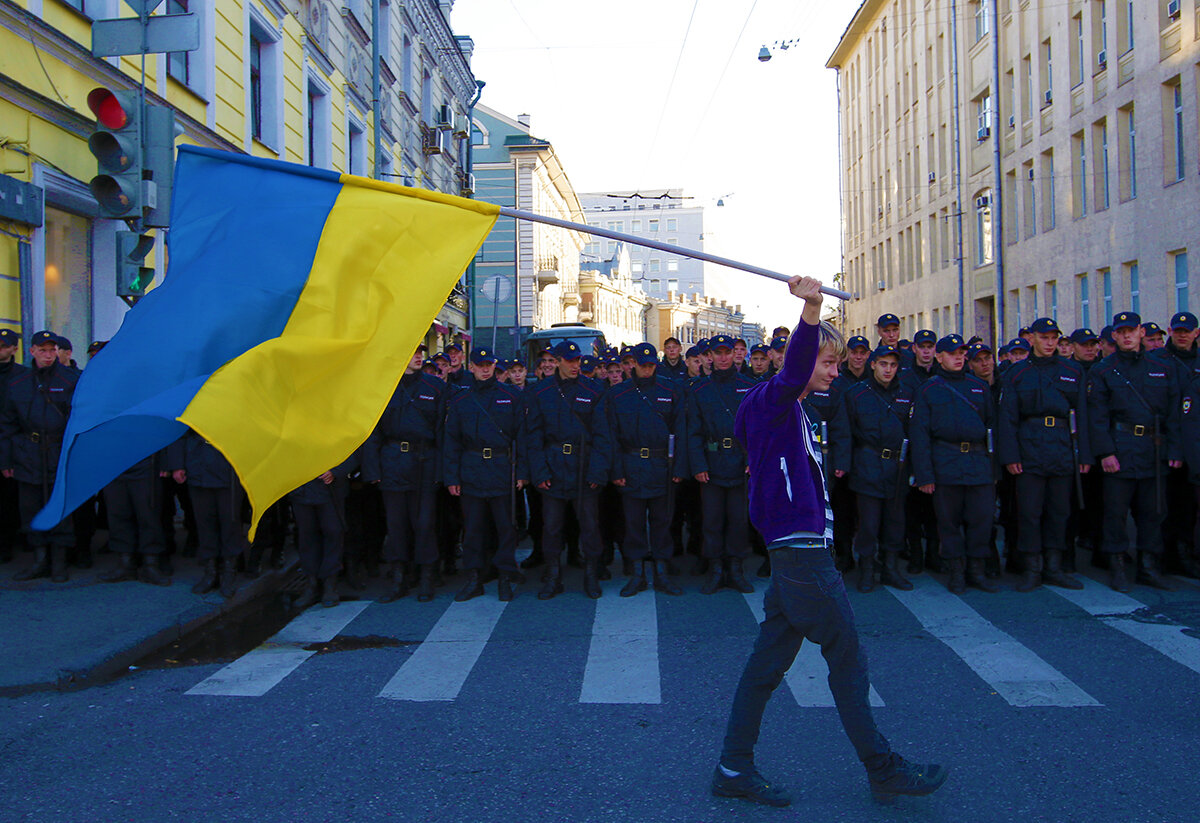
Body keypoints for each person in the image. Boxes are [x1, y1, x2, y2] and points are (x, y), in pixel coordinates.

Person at [713, 276, 947, 808]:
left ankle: (732, 766)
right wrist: (813, 307)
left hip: (800, 549)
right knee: (848, 657)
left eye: (837, 364)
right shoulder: (771, 400)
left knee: (766, 666)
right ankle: (882, 768)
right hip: (799, 553)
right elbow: (795, 367)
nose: (835, 372)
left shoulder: (790, 410)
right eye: (828, 364)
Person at [1086, 312, 1182, 591]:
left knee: (1153, 512)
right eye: (1121, 331)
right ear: (1114, 336)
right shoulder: (1103, 369)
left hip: (1154, 449)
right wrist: (1105, 453)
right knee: (1115, 513)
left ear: (1141, 332)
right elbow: (1097, 417)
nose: (1127, 336)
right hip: (1121, 447)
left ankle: (1148, 567)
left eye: (1132, 330)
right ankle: (1117, 566)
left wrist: (1174, 447)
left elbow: (1173, 412)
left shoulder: (1161, 366)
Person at [996, 318, 1090, 591]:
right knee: (1029, 512)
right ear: (1032, 339)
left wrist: (1084, 455)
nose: (1050, 343)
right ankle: (1031, 568)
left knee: (1059, 511)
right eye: (1044, 337)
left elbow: (1083, 414)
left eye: (1053, 338)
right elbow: (1008, 418)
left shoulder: (1072, 370)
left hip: (1061, 445)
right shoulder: (1016, 373)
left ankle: (1054, 566)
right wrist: (1011, 456)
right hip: (1029, 446)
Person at [593, 342, 688, 596]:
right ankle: (637, 573)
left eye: (650, 365)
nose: (647, 369)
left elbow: (681, 432)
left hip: (662, 466)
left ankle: (661, 572)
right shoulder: (617, 395)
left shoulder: (672, 390)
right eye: (642, 365)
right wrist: (616, 471)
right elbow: (609, 437)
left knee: (662, 522)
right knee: (633, 525)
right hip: (631, 465)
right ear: (632, 364)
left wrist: (679, 467)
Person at [910, 334, 999, 593]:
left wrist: (994, 468)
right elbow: (920, 435)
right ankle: (956, 571)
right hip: (945, 462)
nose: (958, 357)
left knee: (981, 520)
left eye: (961, 353)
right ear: (939, 357)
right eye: (952, 353)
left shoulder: (979, 387)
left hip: (978, 463)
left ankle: (976, 570)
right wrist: (925, 476)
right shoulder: (929, 389)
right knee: (949, 522)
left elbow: (992, 428)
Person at [525, 341, 610, 599]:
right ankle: (553, 575)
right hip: (553, 467)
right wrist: (539, 473)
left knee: (589, 526)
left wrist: (597, 472)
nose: (575, 366)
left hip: (584, 468)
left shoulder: (593, 389)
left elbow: (603, 436)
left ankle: (591, 573)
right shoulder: (540, 392)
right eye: (570, 361)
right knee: (551, 527)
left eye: (578, 361)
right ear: (558, 361)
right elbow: (534, 437)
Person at [444, 347, 528, 602]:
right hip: (471, 469)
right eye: (479, 365)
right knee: (473, 529)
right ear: (471, 367)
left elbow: (522, 437)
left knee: (505, 527)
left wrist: (522, 472)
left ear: (494, 366)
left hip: (502, 468)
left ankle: (505, 575)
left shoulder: (511, 395)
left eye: (488, 364)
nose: (484, 369)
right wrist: (452, 477)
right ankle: (474, 578)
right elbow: (451, 441)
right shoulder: (461, 400)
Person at [364, 346, 446, 603]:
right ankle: (399, 576)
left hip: (425, 462)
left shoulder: (435, 387)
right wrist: (373, 469)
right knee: (396, 524)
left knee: (424, 523)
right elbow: (373, 432)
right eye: (412, 352)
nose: (419, 356)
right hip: (393, 462)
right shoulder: (384, 387)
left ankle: (426, 576)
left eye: (420, 352)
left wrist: (443, 470)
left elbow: (444, 432)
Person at [836, 344, 914, 592]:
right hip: (867, 463)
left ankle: (890, 568)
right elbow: (845, 432)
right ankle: (867, 569)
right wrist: (843, 464)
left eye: (893, 365)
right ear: (873, 364)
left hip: (898, 466)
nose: (888, 370)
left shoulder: (908, 392)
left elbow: (917, 433)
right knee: (868, 523)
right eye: (883, 364)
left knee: (895, 521)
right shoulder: (856, 394)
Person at [3, 331, 78, 583]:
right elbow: (8, 425)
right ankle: (39, 560)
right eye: (43, 350)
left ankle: (59, 563)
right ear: (32, 351)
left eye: (52, 350)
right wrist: (7, 460)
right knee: (31, 509)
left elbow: (79, 420)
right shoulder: (18, 382)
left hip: (59, 451)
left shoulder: (70, 380)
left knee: (59, 508)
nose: (48, 355)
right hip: (28, 453)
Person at [685, 334, 757, 594]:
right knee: (712, 520)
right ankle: (716, 569)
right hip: (712, 463)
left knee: (738, 519)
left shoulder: (749, 386)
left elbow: (757, 429)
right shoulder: (700, 389)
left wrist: (753, 459)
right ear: (709, 357)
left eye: (728, 352)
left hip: (740, 462)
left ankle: (735, 569)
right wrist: (698, 465)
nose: (724, 357)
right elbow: (692, 431)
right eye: (718, 353)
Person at [173, 431, 245, 596]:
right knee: (204, 523)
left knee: (230, 522)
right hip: (198, 463)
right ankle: (210, 571)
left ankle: (228, 573)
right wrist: (177, 464)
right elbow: (179, 429)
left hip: (229, 465)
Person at [289, 452, 359, 609]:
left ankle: (330, 584)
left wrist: (336, 471)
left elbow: (354, 445)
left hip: (330, 489)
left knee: (333, 533)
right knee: (307, 537)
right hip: (300, 486)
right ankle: (311, 584)